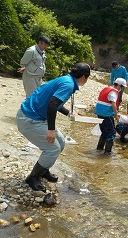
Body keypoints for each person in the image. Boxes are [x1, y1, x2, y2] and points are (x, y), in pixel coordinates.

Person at [16, 62, 91, 192]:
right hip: (29, 118)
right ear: (83, 77)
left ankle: (44, 170)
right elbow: (52, 104)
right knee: (53, 148)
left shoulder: (67, 80)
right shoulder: (68, 84)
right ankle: (32, 178)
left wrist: (68, 113)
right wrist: (51, 130)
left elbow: (54, 101)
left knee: (61, 143)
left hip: (37, 116)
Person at [94, 78, 127, 155]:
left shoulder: (106, 88)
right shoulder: (113, 92)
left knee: (104, 132)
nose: (122, 89)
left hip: (99, 112)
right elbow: (113, 104)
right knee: (111, 132)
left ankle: (99, 148)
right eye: (122, 87)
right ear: (118, 85)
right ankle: (107, 153)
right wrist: (116, 116)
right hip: (106, 114)